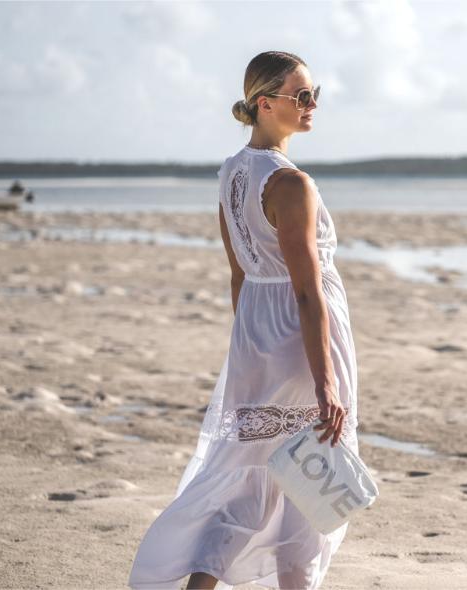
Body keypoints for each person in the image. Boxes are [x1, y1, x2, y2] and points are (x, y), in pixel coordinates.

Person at [128, 50, 360, 590]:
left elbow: (240, 276)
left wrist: (248, 350)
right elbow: (306, 291)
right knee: (312, 480)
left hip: (256, 334)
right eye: (300, 96)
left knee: (248, 483)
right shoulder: (292, 183)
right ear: (264, 103)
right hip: (301, 341)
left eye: (314, 94)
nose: (311, 105)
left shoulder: (231, 173)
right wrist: (325, 379)